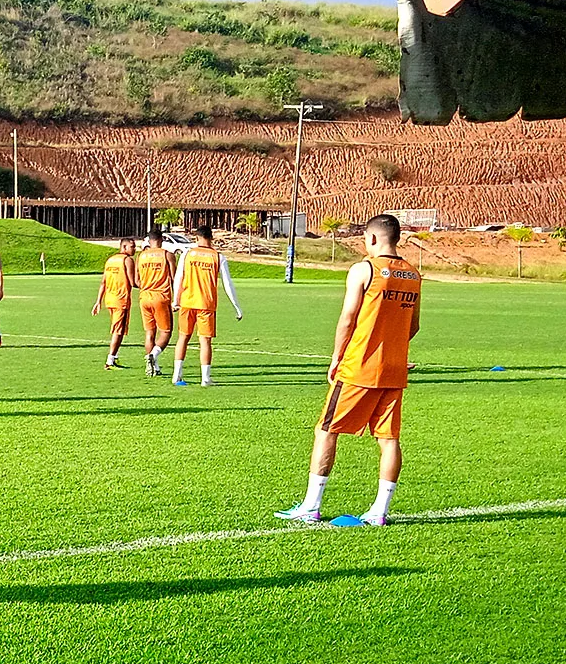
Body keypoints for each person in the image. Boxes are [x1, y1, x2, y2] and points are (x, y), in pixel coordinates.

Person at [276, 215, 421, 526]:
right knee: (389, 438)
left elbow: (348, 318)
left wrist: (337, 357)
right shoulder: (412, 274)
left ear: (370, 239)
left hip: (358, 367)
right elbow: (414, 326)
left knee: (327, 430)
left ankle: (311, 506)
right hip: (393, 370)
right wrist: (390, 347)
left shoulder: (363, 269)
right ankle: (380, 511)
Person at [170, 226, 242, 385]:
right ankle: (205, 378)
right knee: (205, 341)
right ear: (212, 238)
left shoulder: (187, 254)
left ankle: (176, 375)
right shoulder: (218, 257)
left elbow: (178, 279)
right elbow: (227, 284)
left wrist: (176, 300)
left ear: (197, 238)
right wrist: (236, 306)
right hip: (206, 304)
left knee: (183, 338)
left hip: (187, 302)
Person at [92, 238, 137, 369]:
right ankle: (109, 360)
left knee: (119, 330)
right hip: (120, 299)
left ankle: (114, 357)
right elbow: (133, 282)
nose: (134, 249)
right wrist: (148, 285)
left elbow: (103, 282)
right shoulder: (127, 260)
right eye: (132, 247)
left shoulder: (110, 260)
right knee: (118, 330)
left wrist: (98, 301)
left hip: (110, 299)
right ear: (124, 247)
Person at [136, 233, 176, 376]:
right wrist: (176, 300)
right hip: (160, 297)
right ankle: (153, 354)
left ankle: (153, 368)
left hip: (144, 297)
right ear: (161, 240)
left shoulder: (141, 256)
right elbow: (174, 279)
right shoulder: (167, 255)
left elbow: (137, 280)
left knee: (149, 332)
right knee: (166, 332)